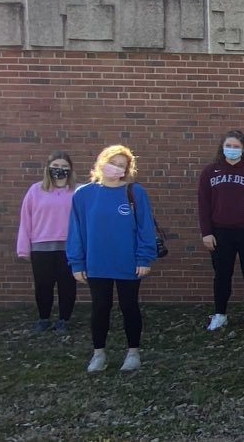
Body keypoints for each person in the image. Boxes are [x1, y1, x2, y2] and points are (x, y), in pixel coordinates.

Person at [68, 145, 158, 373]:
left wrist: (144, 258)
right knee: (100, 307)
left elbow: (145, 228)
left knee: (129, 306)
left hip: (128, 262)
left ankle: (133, 352)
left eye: (121, 165)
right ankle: (99, 354)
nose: (115, 168)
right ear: (101, 162)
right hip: (97, 263)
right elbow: (75, 230)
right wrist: (77, 262)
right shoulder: (83, 194)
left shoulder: (134, 192)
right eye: (112, 162)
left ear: (127, 170)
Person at [198, 130, 244, 331]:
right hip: (220, 232)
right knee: (222, 275)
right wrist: (206, 232)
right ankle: (220, 314)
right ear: (222, 147)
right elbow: (203, 204)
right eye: (229, 145)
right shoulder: (210, 171)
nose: (232, 150)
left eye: (236, 146)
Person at [18, 151, 77, 334]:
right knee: (43, 285)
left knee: (67, 285)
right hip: (41, 247)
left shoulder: (78, 191)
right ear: (48, 168)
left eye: (65, 167)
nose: (60, 170)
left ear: (71, 170)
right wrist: (23, 248)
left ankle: (64, 320)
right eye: (56, 166)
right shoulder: (35, 190)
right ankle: (43, 319)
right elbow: (25, 219)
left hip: (69, 247)